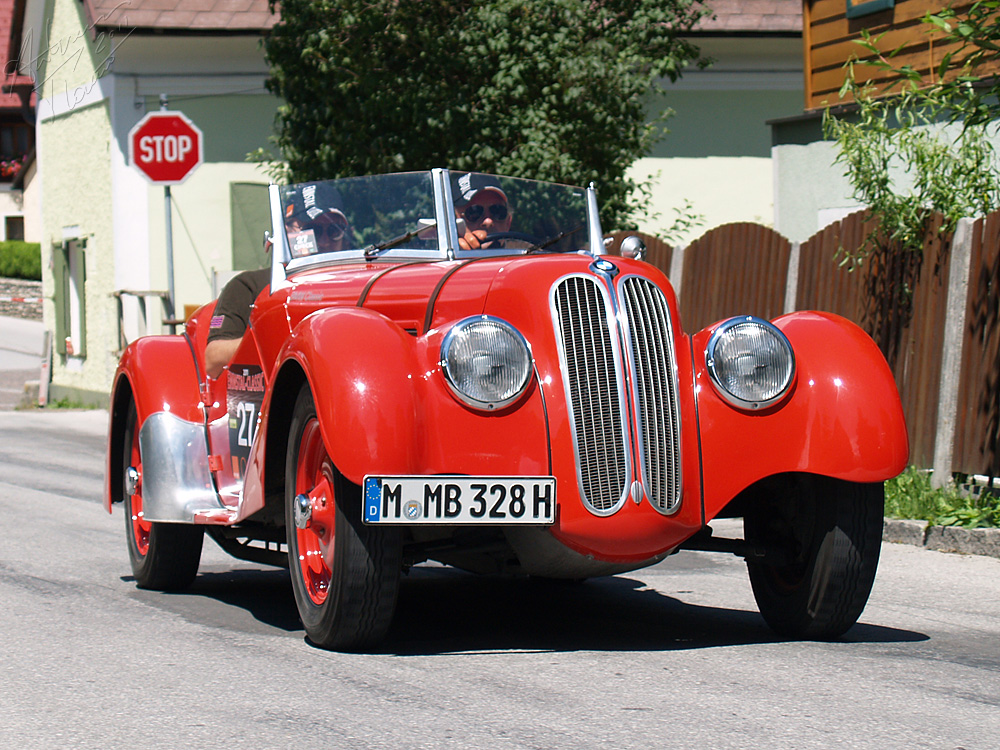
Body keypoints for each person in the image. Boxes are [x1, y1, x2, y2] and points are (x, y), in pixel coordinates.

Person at [204, 181, 349, 379]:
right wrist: (280, 340)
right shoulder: (249, 285)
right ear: (287, 231)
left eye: (334, 230)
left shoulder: (350, 285)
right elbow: (213, 359)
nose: (324, 241)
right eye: (313, 230)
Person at [453, 173, 513, 250]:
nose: (488, 221)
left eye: (498, 211)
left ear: (508, 222)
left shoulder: (525, 256)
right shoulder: (440, 260)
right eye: (474, 212)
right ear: (455, 222)